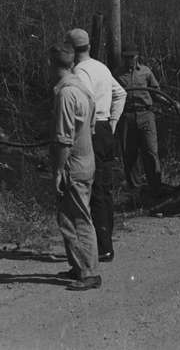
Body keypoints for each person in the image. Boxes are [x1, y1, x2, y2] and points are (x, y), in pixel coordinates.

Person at [64, 28, 127, 263]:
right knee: (104, 189)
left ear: (70, 49)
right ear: (89, 46)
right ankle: (105, 243)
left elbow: (85, 101)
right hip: (103, 130)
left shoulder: (79, 71)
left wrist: (88, 129)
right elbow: (120, 94)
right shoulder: (101, 67)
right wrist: (111, 123)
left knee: (91, 191)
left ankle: (101, 247)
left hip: (90, 131)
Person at [47, 44, 100, 291]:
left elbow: (64, 139)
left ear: (52, 64)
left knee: (77, 219)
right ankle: (78, 266)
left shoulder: (66, 93)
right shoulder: (81, 87)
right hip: (86, 160)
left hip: (73, 165)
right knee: (69, 216)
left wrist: (58, 170)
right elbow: (90, 125)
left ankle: (89, 273)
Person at [115, 45, 162, 193]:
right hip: (127, 116)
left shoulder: (146, 72)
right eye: (126, 57)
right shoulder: (117, 74)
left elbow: (156, 91)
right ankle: (135, 189)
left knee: (150, 151)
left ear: (137, 57)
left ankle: (155, 187)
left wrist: (170, 102)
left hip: (146, 115)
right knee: (130, 153)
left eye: (132, 57)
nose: (129, 60)